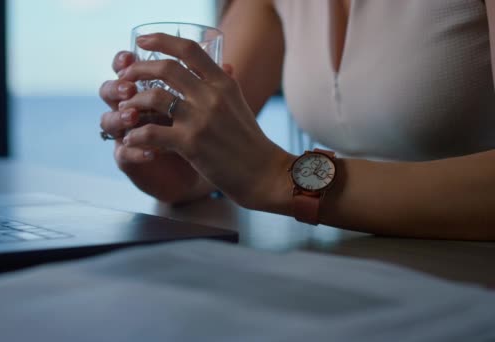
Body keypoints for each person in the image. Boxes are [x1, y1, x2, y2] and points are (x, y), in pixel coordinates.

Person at [99, 0, 495, 240]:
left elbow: (265, 174)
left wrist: (282, 177)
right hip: (356, 266)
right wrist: (176, 161)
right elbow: (208, 151)